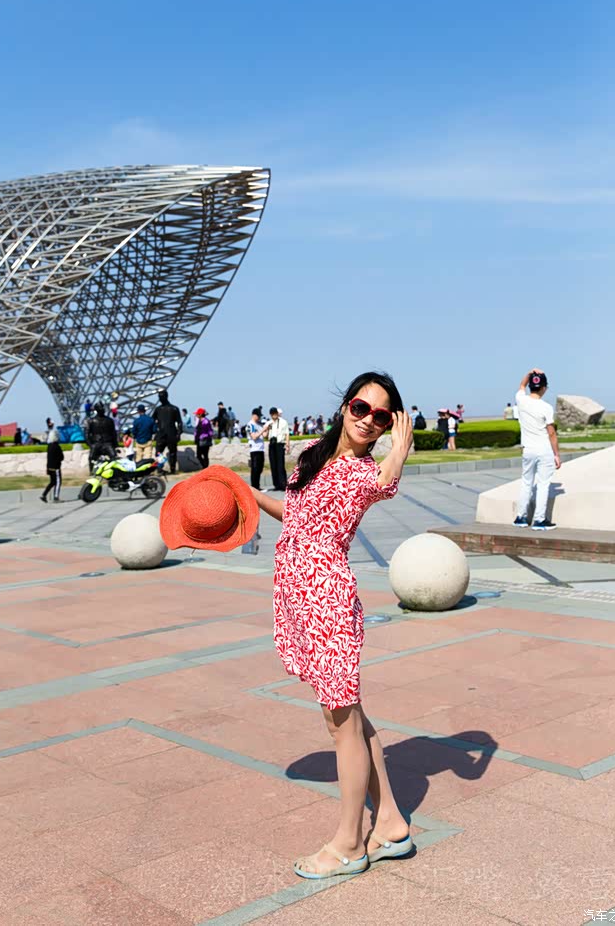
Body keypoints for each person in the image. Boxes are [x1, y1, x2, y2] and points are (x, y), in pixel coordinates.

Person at [251, 371, 414, 880]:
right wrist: (249, 496)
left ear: (389, 424)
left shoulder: (365, 472)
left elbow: (386, 484)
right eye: (361, 408)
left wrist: (401, 446)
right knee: (352, 718)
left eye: (381, 417)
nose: (368, 421)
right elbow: (297, 517)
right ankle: (391, 824)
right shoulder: (312, 457)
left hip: (329, 601)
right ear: (345, 406)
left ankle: (349, 844)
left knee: (341, 724)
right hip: (300, 596)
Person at [514, 368, 561, 530]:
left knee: (526, 483)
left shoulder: (521, 400)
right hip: (544, 450)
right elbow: (551, 433)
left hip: (527, 449)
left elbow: (521, 385)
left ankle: (521, 517)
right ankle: (539, 520)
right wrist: (556, 454)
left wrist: (530, 373)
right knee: (543, 485)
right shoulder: (546, 407)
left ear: (531, 386)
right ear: (544, 388)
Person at [153, 389, 183, 474]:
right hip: (161, 434)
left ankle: (172, 469)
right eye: (159, 397)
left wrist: (179, 433)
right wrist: (155, 431)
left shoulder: (174, 408)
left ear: (166, 396)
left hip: (171, 434)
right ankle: (159, 469)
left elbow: (180, 422)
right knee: (158, 452)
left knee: (173, 452)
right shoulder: (158, 409)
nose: (160, 398)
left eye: (161, 396)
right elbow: (152, 420)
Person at [85, 402, 117, 470]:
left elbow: (113, 433)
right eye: (100, 408)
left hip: (107, 443)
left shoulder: (109, 420)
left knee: (114, 456)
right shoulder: (91, 421)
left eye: (102, 408)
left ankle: (115, 471)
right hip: (96, 443)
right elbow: (87, 434)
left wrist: (115, 444)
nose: (102, 409)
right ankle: (92, 471)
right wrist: (90, 445)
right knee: (91, 457)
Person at [266, 406, 290, 490]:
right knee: (273, 465)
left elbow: (287, 434)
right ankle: (276, 484)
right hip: (272, 444)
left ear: (277, 413)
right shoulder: (269, 423)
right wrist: (267, 429)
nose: (274, 416)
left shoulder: (283, 422)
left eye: (275, 414)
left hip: (280, 444)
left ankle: (283, 484)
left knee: (280, 465)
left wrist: (287, 445)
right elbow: (265, 435)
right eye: (272, 414)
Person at [40, 428, 64, 503]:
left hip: (49, 467)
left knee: (52, 482)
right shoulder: (57, 446)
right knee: (58, 482)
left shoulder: (49, 446)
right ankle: (56, 497)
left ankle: (44, 495)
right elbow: (61, 457)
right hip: (56, 468)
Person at [246, 407, 266, 489]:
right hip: (255, 449)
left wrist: (267, 428)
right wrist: (262, 430)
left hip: (261, 449)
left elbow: (264, 435)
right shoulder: (250, 425)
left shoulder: (259, 424)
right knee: (255, 469)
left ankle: (258, 485)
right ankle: (255, 486)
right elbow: (254, 436)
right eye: (258, 416)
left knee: (260, 468)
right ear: (254, 415)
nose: (259, 417)